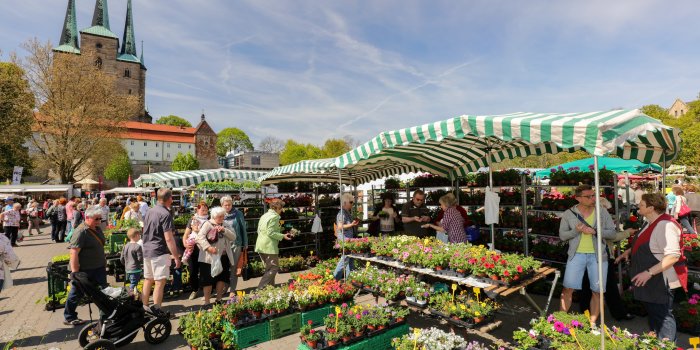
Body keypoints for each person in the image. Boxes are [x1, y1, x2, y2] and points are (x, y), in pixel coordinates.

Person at [615, 193, 684, 341]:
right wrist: (629, 251)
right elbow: (647, 243)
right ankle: (657, 344)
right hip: (652, 280)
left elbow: (672, 255)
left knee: (663, 316)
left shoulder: (666, 225)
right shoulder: (650, 222)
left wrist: (648, 273)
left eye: (641, 204)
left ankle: (666, 345)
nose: (638, 205)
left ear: (651, 208)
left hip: (660, 280)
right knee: (654, 315)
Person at [559, 184, 617, 325]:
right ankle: (559, 323)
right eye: (589, 196)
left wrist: (596, 231)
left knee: (597, 291)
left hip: (598, 257)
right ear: (578, 198)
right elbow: (562, 236)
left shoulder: (602, 212)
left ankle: (593, 324)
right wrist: (576, 231)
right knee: (567, 288)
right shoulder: (569, 213)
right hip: (576, 255)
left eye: (594, 195)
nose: (593, 198)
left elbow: (613, 233)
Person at [579, 227, 636, 321]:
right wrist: (627, 233)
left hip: (590, 256)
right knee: (608, 285)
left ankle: (586, 313)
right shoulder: (595, 218)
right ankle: (618, 313)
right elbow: (610, 237)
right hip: (598, 256)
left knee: (589, 284)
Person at [63, 207, 107, 325]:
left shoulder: (97, 229)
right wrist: (75, 271)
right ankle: (69, 316)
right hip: (85, 269)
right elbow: (74, 252)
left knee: (103, 292)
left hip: (99, 267)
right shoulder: (81, 231)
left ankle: (105, 315)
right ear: (87, 217)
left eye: (100, 219)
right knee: (76, 293)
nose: (99, 221)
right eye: (96, 219)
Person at [141, 188, 181, 315]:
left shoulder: (149, 211)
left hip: (147, 249)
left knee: (148, 279)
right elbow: (169, 238)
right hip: (159, 250)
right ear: (170, 199)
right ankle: (157, 310)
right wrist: (176, 256)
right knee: (159, 282)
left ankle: (144, 307)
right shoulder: (165, 214)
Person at [196, 206, 237, 305]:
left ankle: (219, 299)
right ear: (214, 216)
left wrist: (224, 230)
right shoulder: (207, 224)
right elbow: (199, 238)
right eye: (219, 216)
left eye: (222, 216)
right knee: (208, 280)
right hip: (208, 258)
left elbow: (233, 237)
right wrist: (209, 248)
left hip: (223, 256)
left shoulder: (225, 225)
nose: (221, 218)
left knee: (221, 278)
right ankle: (206, 301)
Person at [254, 199, 292, 288]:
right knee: (273, 268)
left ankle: (270, 288)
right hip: (269, 246)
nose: (282, 210)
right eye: (281, 208)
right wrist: (282, 236)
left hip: (260, 245)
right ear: (277, 208)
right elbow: (270, 232)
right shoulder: (275, 217)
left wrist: (280, 233)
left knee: (269, 268)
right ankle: (261, 287)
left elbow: (259, 230)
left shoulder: (264, 215)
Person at [220, 196, 248, 298]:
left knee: (234, 267)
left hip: (236, 243)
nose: (227, 207)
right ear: (221, 205)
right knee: (224, 267)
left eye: (229, 205)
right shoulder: (220, 214)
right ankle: (225, 286)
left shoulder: (238, 214)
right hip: (223, 245)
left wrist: (245, 244)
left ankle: (232, 289)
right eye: (225, 205)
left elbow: (243, 228)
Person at [182, 201, 209, 300]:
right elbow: (185, 235)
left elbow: (211, 235)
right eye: (202, 210)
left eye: (206, 209)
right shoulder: (192, 219)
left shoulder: (209, 220)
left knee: (205, 270)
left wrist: (198, 231)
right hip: (193, 249)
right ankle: (195, 289)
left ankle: (206, 290)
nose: (204, 211)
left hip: (205, 248)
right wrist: (185, 244)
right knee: (192, 271)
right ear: (197, 210)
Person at [333, 194, 360, 280]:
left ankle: (350, 281)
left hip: (348, 239)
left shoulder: (347, 212)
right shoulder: (341, 213)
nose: (352, 204)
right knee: (345, 258)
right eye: (351, 202)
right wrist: (351, 224)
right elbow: (340, 226)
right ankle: (335, 278)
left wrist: (353, 224)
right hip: (344, 239)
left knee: (350, 259)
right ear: (345, 203)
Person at [120, 228, 143, 294]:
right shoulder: (138, 246)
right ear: (136, 235)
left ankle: (134, 294)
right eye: (139, 235)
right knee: (134, 283)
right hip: (135, 268)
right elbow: (140, 259)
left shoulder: (125, 246)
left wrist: (126, 264)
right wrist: (143, 263)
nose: (140, 236)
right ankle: (128, 294)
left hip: (128, 268)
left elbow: (121, 258)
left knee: (132, 282)